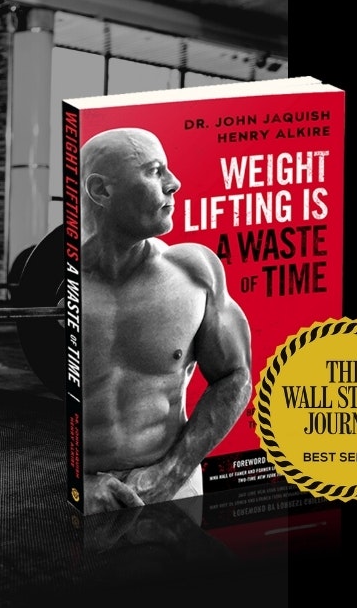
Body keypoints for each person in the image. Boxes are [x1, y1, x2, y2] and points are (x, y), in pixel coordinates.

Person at [79, 127, 251, 513]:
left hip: (174, 485)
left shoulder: (195, 271)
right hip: (78, 495)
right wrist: (77, 485)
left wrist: (171, 473)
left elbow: (234, 376)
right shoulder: (54, 286)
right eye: (155, 171)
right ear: (101, 191)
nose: (174, 183)